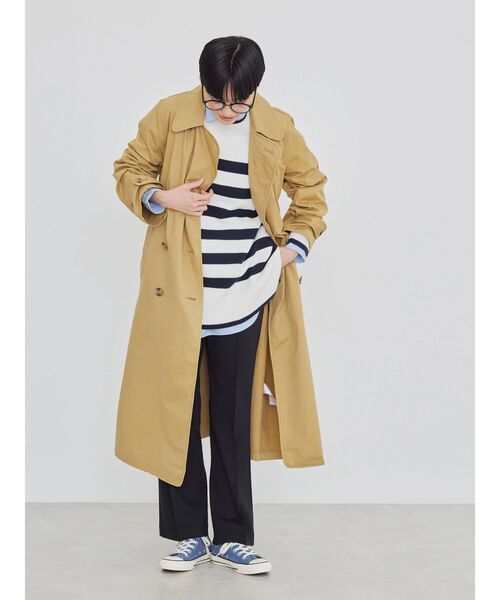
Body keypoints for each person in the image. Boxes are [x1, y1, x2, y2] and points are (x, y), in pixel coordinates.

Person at [112, 35, 327, 576]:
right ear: (202, 84)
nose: (227, 111)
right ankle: (188, 534)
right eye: (216, 99)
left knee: (234, 421)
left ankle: (232, 537)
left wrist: (290, 251)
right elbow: (128, 169)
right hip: (177, 297)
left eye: (239, 102)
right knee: (175, 417)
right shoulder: (170, 115)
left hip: (245, 294)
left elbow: (311, 193)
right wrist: (164, 197)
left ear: (255, 90)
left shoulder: (276, 126)